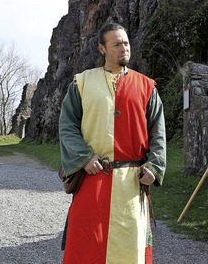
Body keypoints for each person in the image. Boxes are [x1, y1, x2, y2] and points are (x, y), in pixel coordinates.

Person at [59, 21, 167, 264]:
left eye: (126, 43)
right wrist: (83, 158)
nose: (123, 48)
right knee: (86, 247)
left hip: (131, 182)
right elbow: (67, 125)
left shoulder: (147, 87)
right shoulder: (82, 83)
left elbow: (157, 132)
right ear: (102, 49)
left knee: (130, 251)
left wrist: (155, 165)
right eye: (116, 44)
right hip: (93, 178)